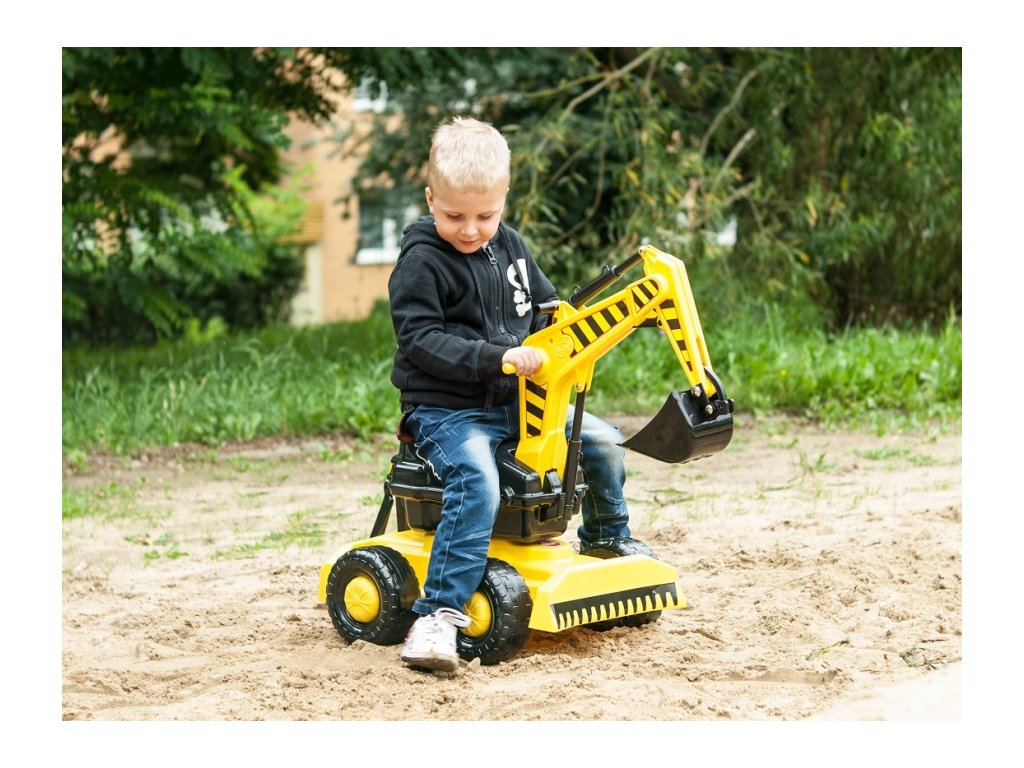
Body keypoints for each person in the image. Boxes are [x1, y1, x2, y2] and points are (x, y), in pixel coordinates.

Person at [388, 116, 632, 673]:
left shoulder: (511, 246)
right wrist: (495, 356)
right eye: (454, 216)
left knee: (601, 441)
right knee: (478, 480)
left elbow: (544, 307)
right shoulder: (421, 263)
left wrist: (567, 323)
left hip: (516, 405)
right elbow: (420, 340)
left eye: (486, 216)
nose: (471, 230)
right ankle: (438, 615)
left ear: (503, 199)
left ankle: (609, 540)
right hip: (448, 413)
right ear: (431, 199)